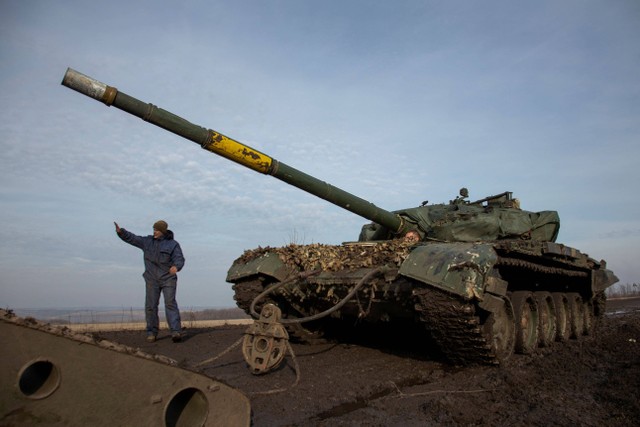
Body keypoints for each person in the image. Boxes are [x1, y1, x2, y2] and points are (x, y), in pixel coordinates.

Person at [114, 220, 185, 343]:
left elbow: (179, 258)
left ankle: (175, 332)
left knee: (170, 304)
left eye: (156, 230)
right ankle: (152, 332)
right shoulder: (147, 241)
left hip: (168, 278)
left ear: (163, 231)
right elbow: (133, 238)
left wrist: (176, 267)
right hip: (151, 279)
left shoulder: (173, 244)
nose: (154, 232)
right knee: (151, 306)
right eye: (153, 229)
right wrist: (121, 232)